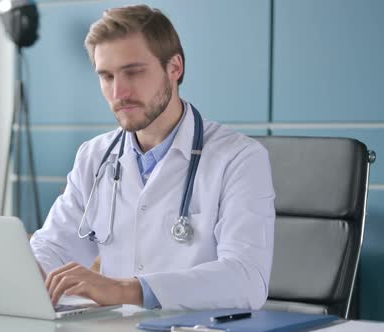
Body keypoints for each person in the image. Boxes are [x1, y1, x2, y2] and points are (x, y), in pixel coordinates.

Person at [30, 4, 275, 311]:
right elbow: (53, 246)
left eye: (133, 72)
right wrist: (27, 275)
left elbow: (246, 281)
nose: (119, 92)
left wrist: (126, 290)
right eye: (106, 76)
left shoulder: (239, 159)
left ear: (175, 68)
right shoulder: (95, 157)